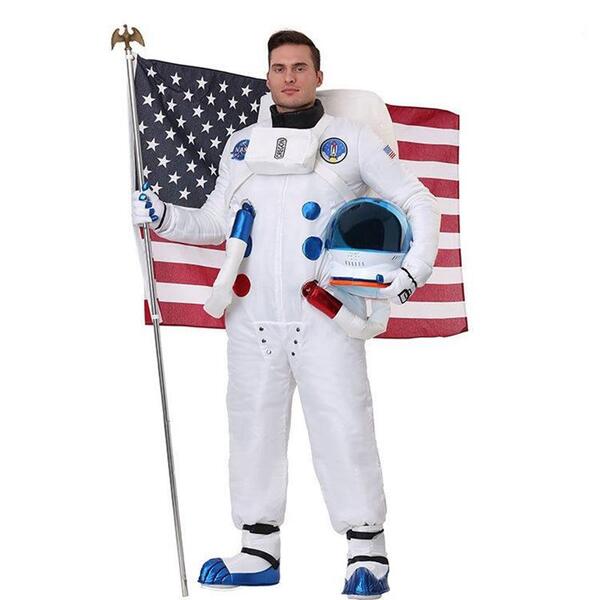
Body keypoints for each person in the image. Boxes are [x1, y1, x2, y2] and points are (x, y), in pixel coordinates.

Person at [132, 30, 441, 598]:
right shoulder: (240, 146)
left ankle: (367, 550)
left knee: (343, 426)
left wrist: (411, 274)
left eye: (300, 67)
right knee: (251, 427)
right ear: (268, 76)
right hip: (252, 316)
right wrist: (164, 216)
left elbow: (417, 200)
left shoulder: (350, 139)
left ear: (319, 75)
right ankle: (258, 546)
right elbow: (217, 222)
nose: (290, 77)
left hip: (325, 312)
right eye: (279, 68)